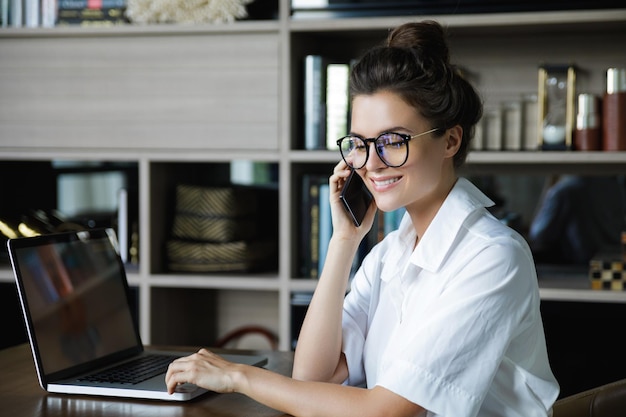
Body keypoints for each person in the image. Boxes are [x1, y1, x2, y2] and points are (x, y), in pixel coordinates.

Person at [165, 20, 560, 416]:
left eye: (392, 141)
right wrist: (343, 243)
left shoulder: (492, 257)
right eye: (359, 144)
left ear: (450, 141)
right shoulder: (391, 254)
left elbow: (383, 411)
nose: (370, 164)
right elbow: (312, 376)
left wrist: (239, 377)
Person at [529, 174, 626, 265]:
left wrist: (549, 189)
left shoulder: (565, 190)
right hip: (614, 263)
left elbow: (538, 234)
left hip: (578, 267)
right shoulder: (616, 185)